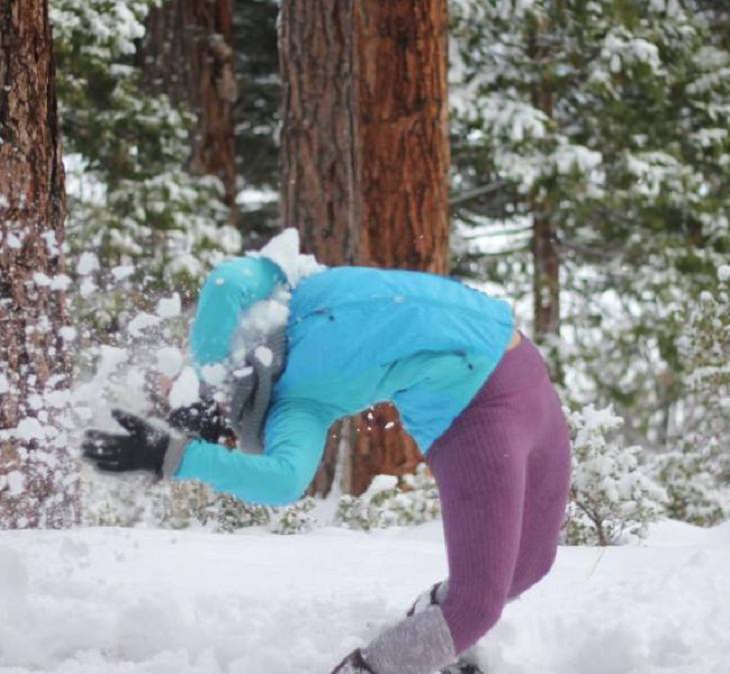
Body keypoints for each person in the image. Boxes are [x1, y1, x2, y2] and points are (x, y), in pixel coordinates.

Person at [83, 230, 572, 674]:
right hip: (472, 416)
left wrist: (207, 373)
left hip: (525, 370)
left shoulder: (289, 289)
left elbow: (225, 283)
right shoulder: (293, 406)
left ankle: (433, 637)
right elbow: (282, 482)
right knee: (477, 606)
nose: (178, 381)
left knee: (532, 566)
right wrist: (174, 456)